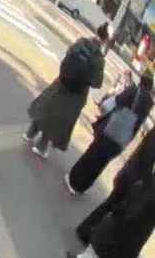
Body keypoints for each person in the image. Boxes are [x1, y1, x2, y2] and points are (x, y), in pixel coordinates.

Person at [69, 125, 155, 258]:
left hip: (143, 193)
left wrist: (133, 181)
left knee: (114, 225)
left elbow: (145, 159)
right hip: (148, 208)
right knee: (131, 241)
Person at [25, 23, 109, 158]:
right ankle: (41, 146)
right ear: (106, 40)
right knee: (60, 118)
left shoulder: (81, 42)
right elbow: (97, 83)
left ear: (96, 31)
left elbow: (68, 55)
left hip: (62, 82)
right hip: (77, 94)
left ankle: (29, 133)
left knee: (46, 106)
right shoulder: (99, 59)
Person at [66, 71, 154, 194]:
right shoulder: (149, 102)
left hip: (112, 128)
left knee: (92, 154)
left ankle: (73, 181)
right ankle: (83, 186)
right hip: (124, 135)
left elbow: (118, 100)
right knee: (102, 162)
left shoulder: (134, 90)